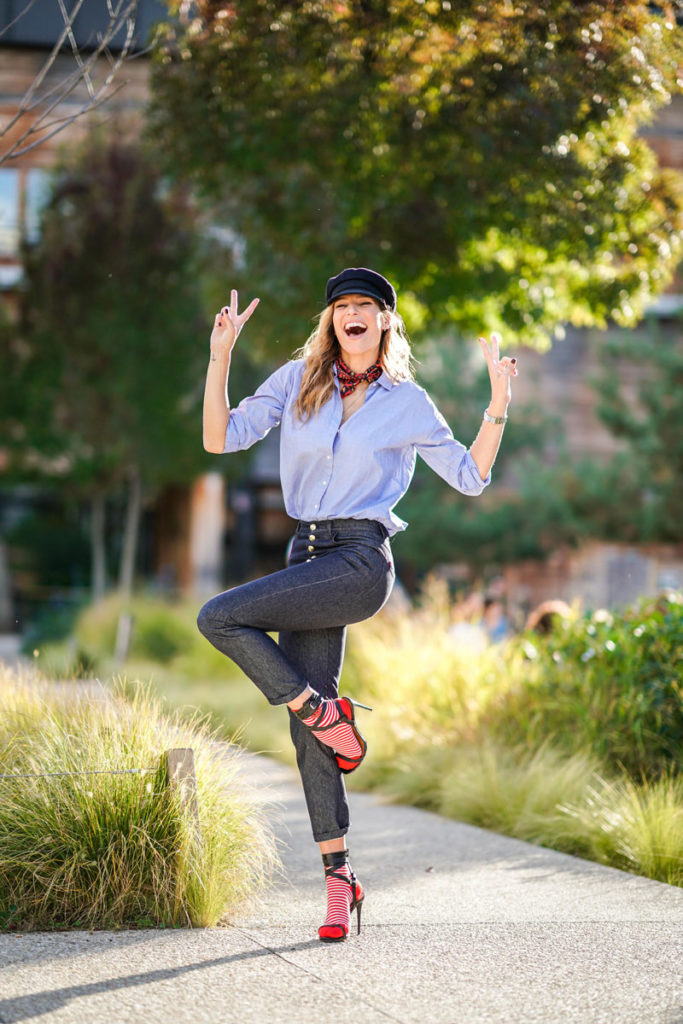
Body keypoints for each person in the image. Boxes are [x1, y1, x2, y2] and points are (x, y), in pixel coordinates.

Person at [197, 267, 517, 943]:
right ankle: (340, 880)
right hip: (305, 555)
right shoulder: (297, 380)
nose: (351, 314)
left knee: (218, 616)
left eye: (364, 307)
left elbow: (469, 477)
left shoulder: (407, 401)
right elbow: (220, 438)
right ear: (330, 321)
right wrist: (220, 357)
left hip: (360, 559)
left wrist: (497, 403)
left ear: (383, 324)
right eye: (341, 305)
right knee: (307, 739)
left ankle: (319, 707)